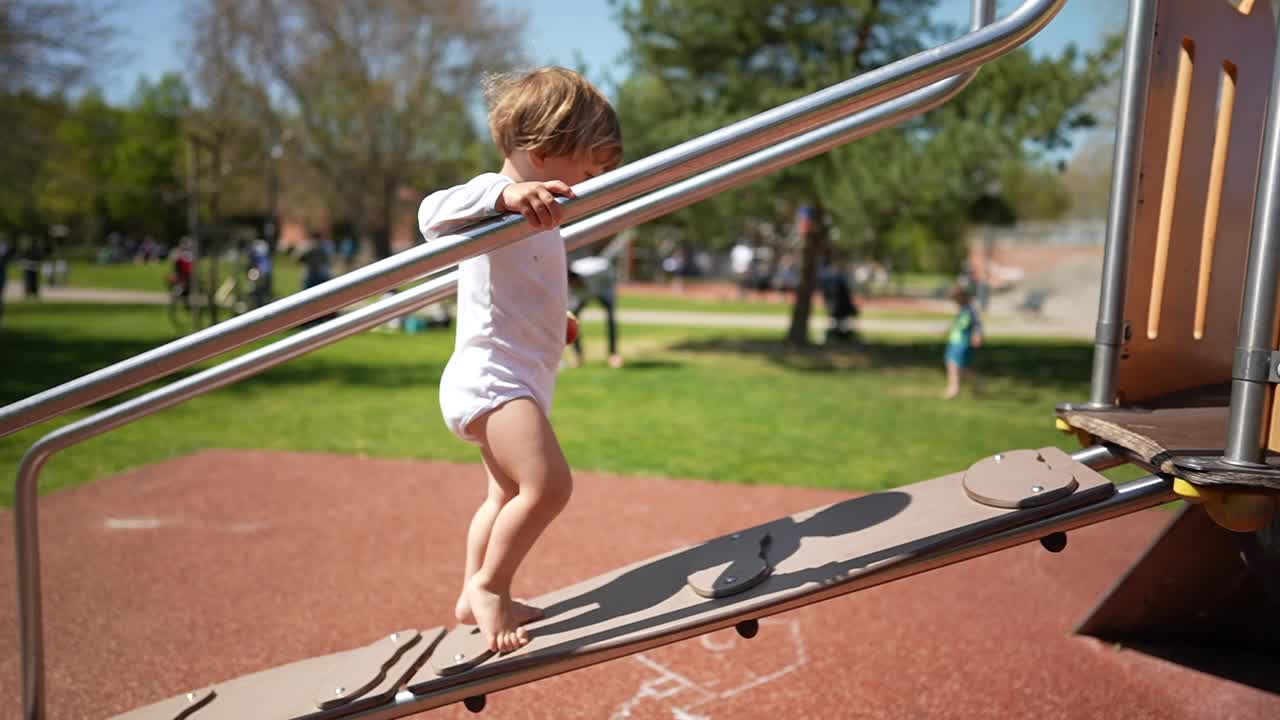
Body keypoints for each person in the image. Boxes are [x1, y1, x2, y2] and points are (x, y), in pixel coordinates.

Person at [417, 66, 621, 655]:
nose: (586, 186)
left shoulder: (543, 220)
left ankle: (468, 595)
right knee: (549, 486)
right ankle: (490, 584)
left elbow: (521, 287)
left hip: (515, 377)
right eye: (584, 170)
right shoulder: (494, 199)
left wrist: (556, 323)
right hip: (492, 380)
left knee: (503, 497)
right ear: (544, 147)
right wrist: (503, 195)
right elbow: (432, 215)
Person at [568, 252, 623, 368]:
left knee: (611, 317)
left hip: (603, 287)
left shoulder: (597, 271)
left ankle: (613, 354)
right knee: (572, 319)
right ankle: (578, 356)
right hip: (585, 293)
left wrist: (608, 291)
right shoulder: (570, 284)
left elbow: (609, 272)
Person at [943, 284, 982, 399]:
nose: (955, 301)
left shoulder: (970, 309)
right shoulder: (962, 309)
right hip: (954, 341)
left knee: (954, 364)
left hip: (963, 342)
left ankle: (954, 389)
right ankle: (978, 380)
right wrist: (947, 329)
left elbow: (977, 324)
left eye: (956, 298)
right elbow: (958, 324)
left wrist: (977, 335)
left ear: (963, 296)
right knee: (958, 367)